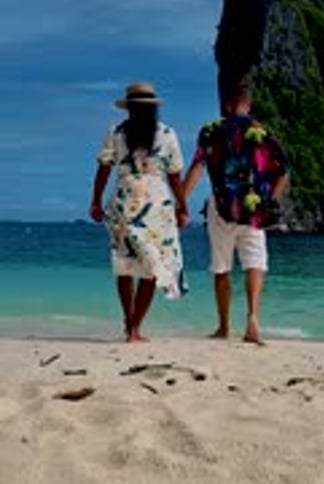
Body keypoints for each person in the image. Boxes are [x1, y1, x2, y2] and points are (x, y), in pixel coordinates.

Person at [183, 80, 289, 343]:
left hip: (221, 207)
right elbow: (283, 170)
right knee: (255, 263)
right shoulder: (262, 132)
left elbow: (197, 167)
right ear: (248, 104)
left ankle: (223, 327)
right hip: (254, 209)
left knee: (222, 267)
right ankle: (253, 317)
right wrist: (271, 202)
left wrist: (180, 200)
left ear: (227, 105)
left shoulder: (211, 130)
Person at [89, 82, 188, 342]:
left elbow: (103, 168)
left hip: (124, 197)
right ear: (154, 108)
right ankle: (135, 327)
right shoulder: (167, 134)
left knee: (124, 263)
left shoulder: (116, 132)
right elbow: (175, 176)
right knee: (151, 265)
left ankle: (128, 323)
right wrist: (183, 206)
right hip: (156, 201)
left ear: (129, 108)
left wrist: (96, 201)